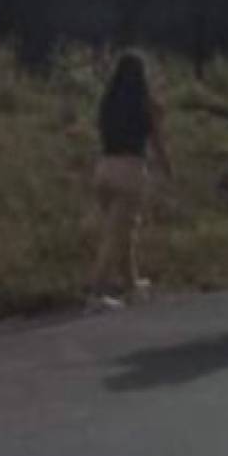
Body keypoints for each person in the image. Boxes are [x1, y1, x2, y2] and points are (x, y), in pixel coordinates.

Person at [87, 51, 173, 311]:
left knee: (124, 233)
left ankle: (131, 285)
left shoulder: (107, 101)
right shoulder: (146, 104)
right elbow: (157, 142)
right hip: (130, 170)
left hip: (103, 168)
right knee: (116, 236)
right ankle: (96, 292)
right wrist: (168, 169)